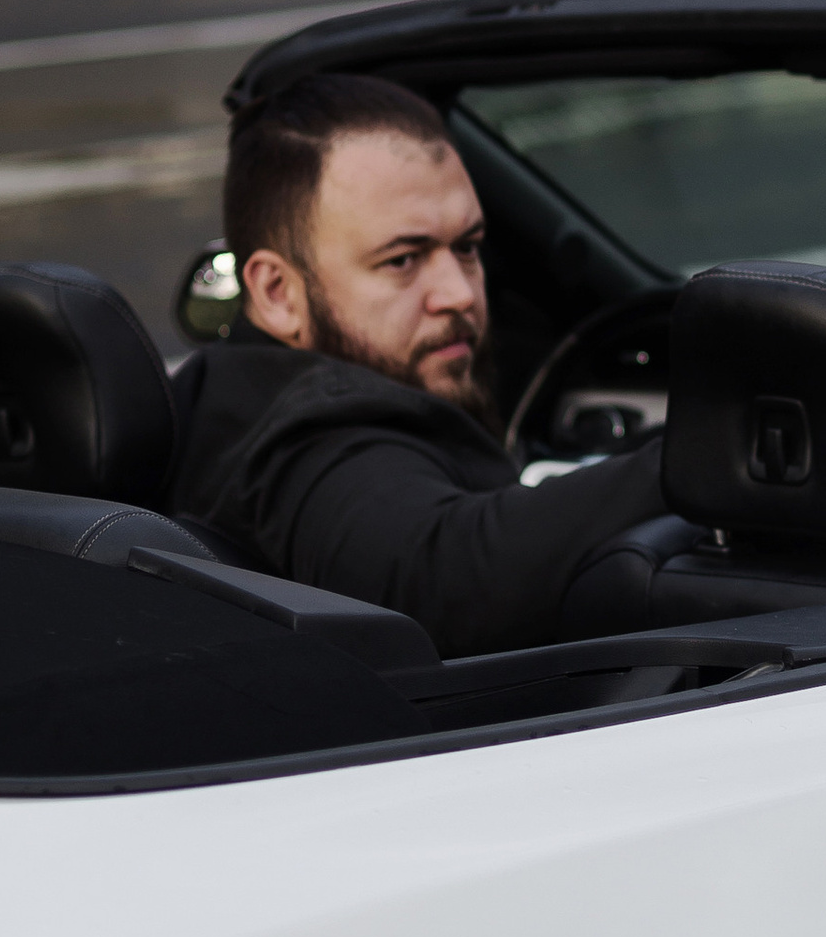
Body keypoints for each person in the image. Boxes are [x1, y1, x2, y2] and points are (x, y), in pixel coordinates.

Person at [173, 72, 673, 660]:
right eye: (403, 259)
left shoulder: (222, 396)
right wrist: (700, 460)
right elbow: (439, 579)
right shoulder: (310, 437)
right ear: (278, 292)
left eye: (466, 246)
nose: (458, 293)